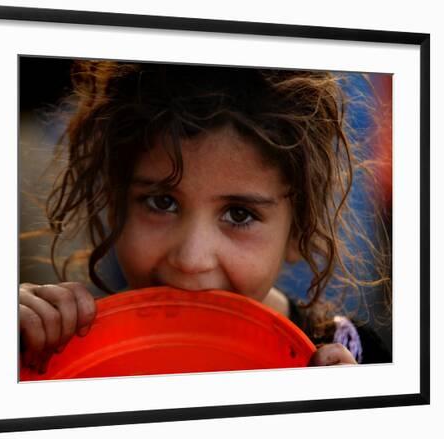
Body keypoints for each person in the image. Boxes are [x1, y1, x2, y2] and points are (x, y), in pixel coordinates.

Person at [19, 61, 391, 374]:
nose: (191, 260)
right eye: (162, 203)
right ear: (116, 205)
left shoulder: (351, 362)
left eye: (239, 214)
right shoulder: (66, 349)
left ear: (298, 231)